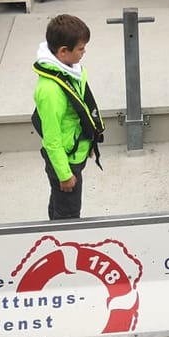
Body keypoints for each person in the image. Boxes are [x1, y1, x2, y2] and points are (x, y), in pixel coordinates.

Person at [31, 14, 105, 219]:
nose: (84, 52)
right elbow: (52, 139)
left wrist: (87, 145)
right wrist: (64, 175)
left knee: (59, 203)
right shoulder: (50, 91)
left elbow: (79, 111)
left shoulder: (71, 71)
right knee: (68, 214)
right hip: (64, 164)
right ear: (63, 51)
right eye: (81, 48)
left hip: (74, 154)